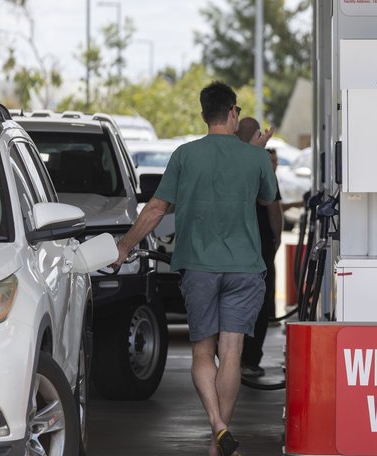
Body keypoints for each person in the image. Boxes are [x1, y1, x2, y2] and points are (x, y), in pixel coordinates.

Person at [110, 81, 277, 456]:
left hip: (198, 268)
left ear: (204, 115)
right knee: (231, 352)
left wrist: (124, 247)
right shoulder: (255, 158)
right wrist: (258, 155)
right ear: (233, 112)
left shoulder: (185, 155)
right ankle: (219, 441)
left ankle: (216, 426)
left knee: (204, 351)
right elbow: (268, 198)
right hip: (245, 269)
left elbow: (155, 209)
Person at [235, 116, 283, 378]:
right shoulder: (260, 164)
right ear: (256, 136)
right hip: (260, 246)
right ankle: (250, 360)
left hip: (232, 244)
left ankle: (231, 359)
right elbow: (272, 206)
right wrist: (275, 242)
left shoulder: (227, 162)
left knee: (232, 302)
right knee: (260, 303)